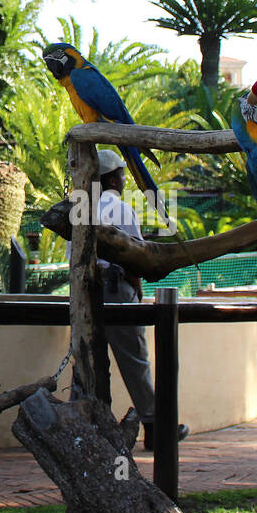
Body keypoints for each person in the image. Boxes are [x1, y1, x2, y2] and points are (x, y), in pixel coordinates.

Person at [81, 149, 187, 450]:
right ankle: (156, 425)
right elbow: (134, 256)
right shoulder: (122, 210)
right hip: (117, 289)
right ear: (114, 178)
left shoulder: (80, 207)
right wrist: (136, 287)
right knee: (134, 359)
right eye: (123, 176)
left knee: (90, 361)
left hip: (88, 290)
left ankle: (93, 427)